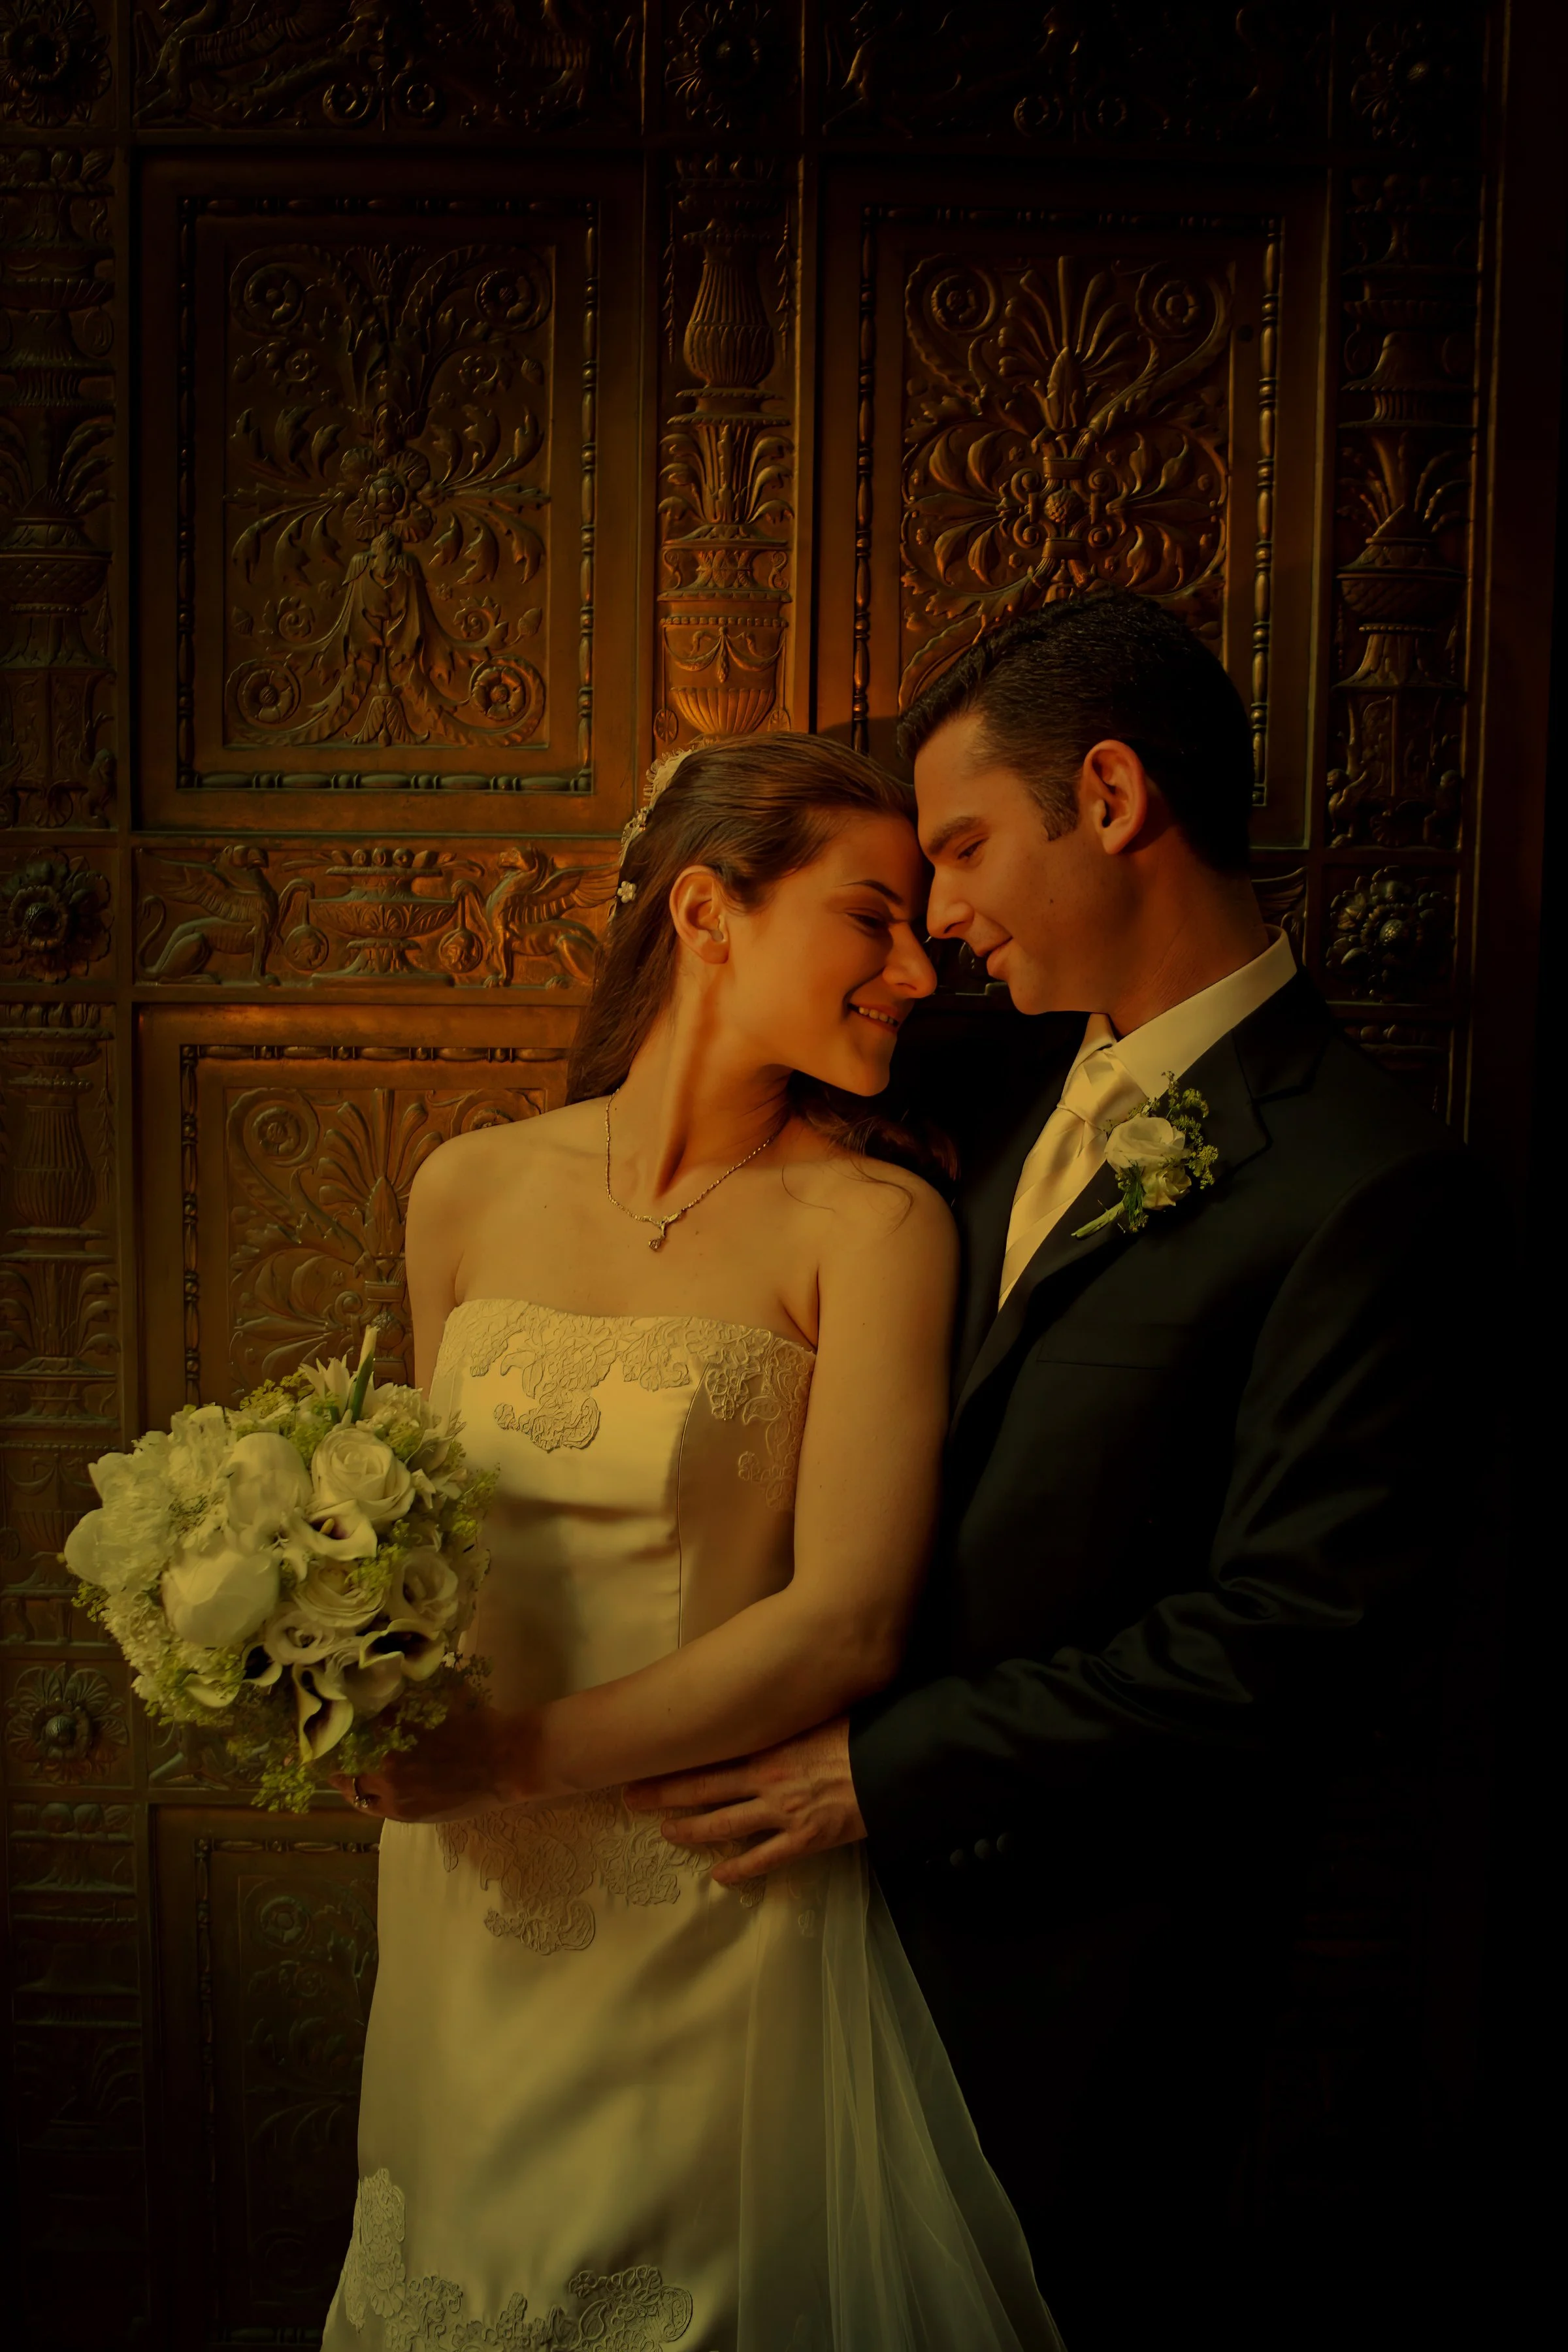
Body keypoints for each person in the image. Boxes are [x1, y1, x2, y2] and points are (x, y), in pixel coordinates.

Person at [631, 593, 1497, 2348]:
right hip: (792, 1936)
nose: (935, 930)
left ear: (1109, 797)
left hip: (1081, 1972)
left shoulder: (1368, 1181)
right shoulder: (981, 1078)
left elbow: (1291, 1638)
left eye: (957, 850)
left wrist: (889, 1770)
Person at [318, 734, 1061, 2352]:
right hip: (457, 1889)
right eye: (873, 918)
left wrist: (510, 1758)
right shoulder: (463, 1189)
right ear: (711, 910)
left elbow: (848, 1625)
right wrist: (328, 1678)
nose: (917, 970)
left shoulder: (870, 1226)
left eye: (925, 925)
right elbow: (421, 1552)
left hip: (705, 1896)